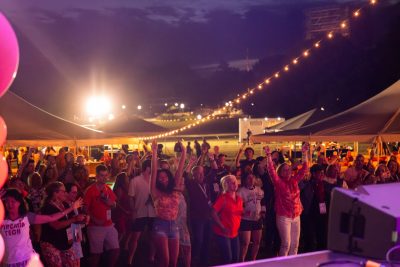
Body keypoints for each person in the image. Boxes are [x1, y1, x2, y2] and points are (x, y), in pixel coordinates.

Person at [264, 142, 309, 256]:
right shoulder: (278, 182)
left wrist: (304, 153)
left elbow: (304, 169)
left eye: (289, 169)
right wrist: (269, 156)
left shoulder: (294, 180)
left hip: (296, 215)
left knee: (295, 244)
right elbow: (271, 171)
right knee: (286, 244)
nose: (288, 171)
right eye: (285, 170)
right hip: (284, 216)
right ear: (280, 172)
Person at [150, 140, 186, 267]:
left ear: (169, 178)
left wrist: (184, 152)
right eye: (160, 178)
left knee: (173, 262)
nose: (162, 179)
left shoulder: (174, 187)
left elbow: (180, 170)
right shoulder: (155, 191)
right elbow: (154, 171)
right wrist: (154, 152)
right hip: (160, 225)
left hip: (174, 225)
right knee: (164, 261)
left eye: (165, 177)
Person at [40, 182, 86, 267]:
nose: (65, 193)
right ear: (55, 193)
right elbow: (56, 225)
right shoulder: (47, 207)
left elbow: (71, 221)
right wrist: (74, 219)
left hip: (65, 243)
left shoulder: (64, 204)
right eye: (63, 191)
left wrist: (80, 220)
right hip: (51, 244)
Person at [84, 164, 120, 267]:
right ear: (96, 176)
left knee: (115, 250)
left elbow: (114, 204)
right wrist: (94, 219)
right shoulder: (90, 190)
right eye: (101, 175)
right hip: (95, 227)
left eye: (105, 175)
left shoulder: (107, 188)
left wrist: (110, 203)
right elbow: (84, 208)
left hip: (108, 224)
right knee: (96, 254)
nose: (104, 178)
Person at [127, 159, 156, 266]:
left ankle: (152, 257)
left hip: (153, 213)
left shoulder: (155, 180)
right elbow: (130, 197)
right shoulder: (135, 181)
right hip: (140, 212)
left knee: (153, 236)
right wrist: (133, 210)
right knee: (135, 237)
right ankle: (130, 258)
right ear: (148, 168)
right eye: (153, 167)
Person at [211, 175, 243, 264]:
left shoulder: (239, 199)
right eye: (231, 182)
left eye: (235, 181)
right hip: (223, 233)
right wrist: (222, 227)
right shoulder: (223, 198)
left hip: (234, 233)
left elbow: (237, 213)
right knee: (227, 259)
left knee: (236, 258)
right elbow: (213, 213)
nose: (234, 183)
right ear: (226, 185)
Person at [237, 171, 265, 262]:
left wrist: (263, 211)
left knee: (257, 242)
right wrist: (243, 211)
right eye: (249, 178)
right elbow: (237, 206)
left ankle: (253, 260)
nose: (251, 179)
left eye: (252, 177)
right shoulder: (241, 191)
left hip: (257, 219)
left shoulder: (259, 189)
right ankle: (242, 261)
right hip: (246, 220)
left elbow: (263, 202)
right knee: (245, 242)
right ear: (245, 180)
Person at [65, 182, 89, 267]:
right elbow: (70, 220)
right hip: (68, 238)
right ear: (66, 193)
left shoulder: (73, 203)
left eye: (76, 192)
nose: (76, 194)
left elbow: (77, 219)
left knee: (77, 260)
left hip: (75, 235)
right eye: (73, 192)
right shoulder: (64, 205)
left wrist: (85, 218)